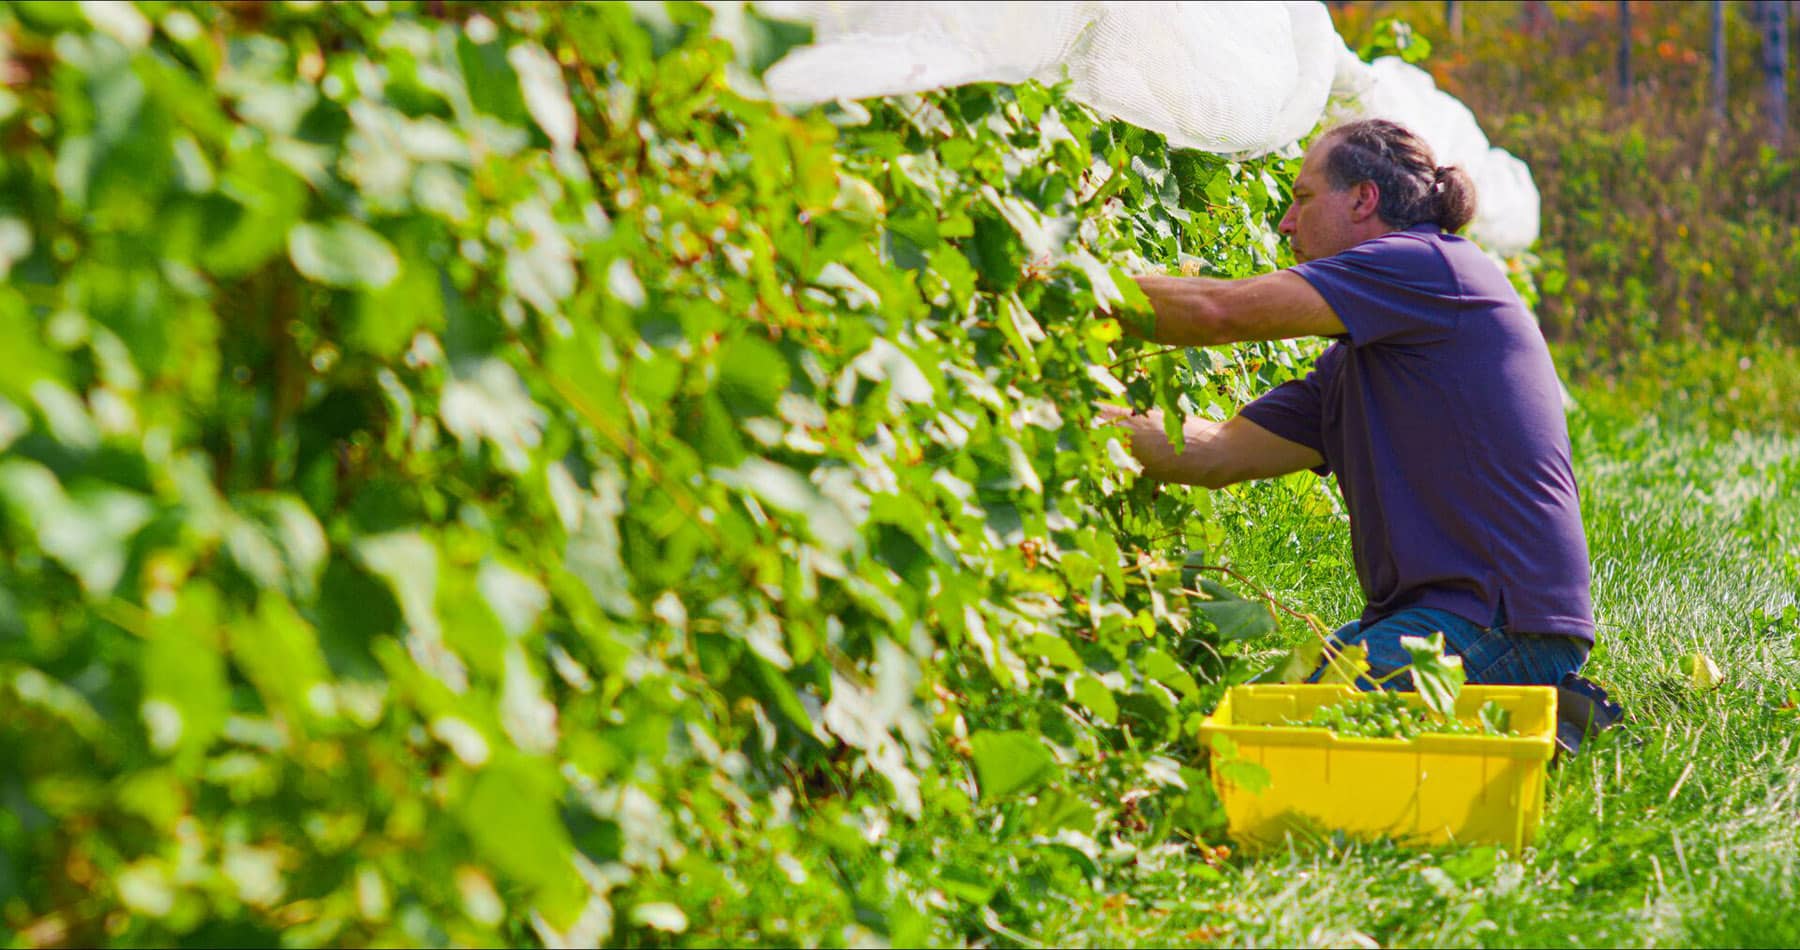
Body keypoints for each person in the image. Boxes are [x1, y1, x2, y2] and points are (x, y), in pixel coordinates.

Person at [1102, 118, 1593, 690]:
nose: (1286, 223)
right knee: (1251, 713)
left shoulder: (1428, 265)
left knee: (1286, 734)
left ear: (1364, 198)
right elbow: (1216, 453)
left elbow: (1219, 312)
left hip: (1501, 622)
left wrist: (1079, 286)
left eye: (1303, 198)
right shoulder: (1360, 365)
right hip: (1443, 621)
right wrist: (1078, 412)